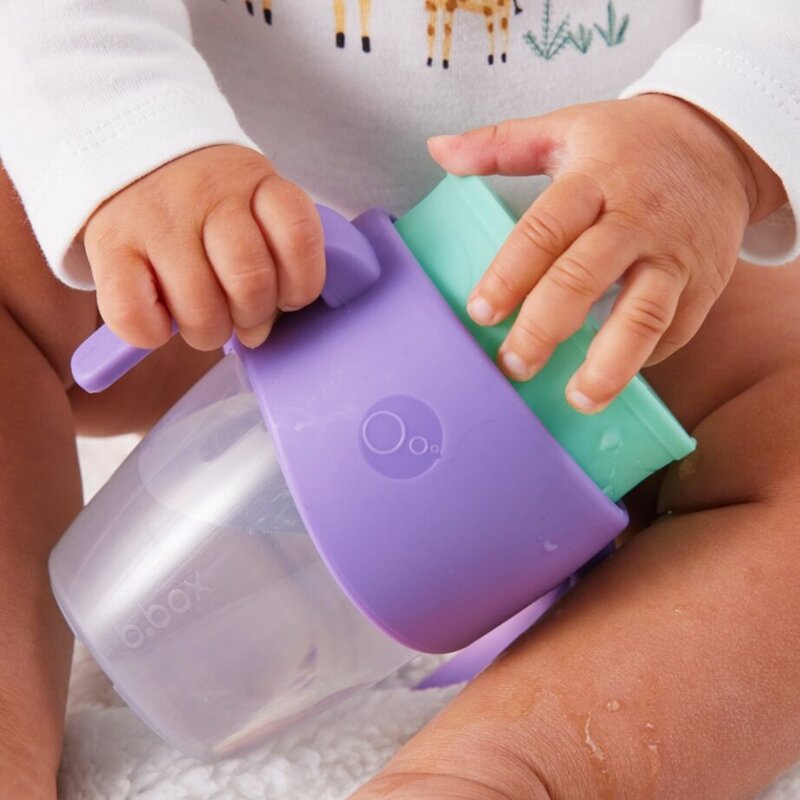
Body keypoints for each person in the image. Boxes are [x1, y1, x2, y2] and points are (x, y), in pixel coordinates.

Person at [0, 2, 798, 798]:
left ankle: (508, 770)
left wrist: (717, 135)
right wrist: (137, 148)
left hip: (621, 306)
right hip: (246, 272)